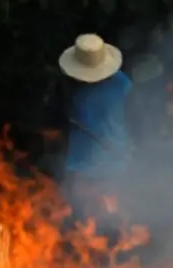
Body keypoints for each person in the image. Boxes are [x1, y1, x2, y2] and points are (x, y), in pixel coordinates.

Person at [56, 34, 134, 225]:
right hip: (116, 164)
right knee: (111, 223)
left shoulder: (72, 88)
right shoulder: (124, 84)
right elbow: (136, 122)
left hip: (82, 169)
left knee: (81, 223)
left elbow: (57, 121)